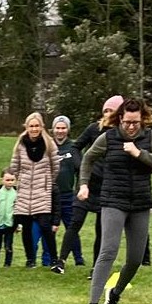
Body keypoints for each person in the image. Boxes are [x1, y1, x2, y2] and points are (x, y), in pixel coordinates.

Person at [77, 97, 152, 304]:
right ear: (120, 119)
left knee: (135, 258)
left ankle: (115, 293)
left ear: (142, 119)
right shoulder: (108, 137)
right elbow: (88, 158)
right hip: (112, 200)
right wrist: (84, 184)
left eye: (135, 122)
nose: (131, 127)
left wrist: (138, 153)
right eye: (127, 122)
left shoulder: (150, 137)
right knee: (108, 251)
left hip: (140, 203)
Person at [57, 96, 122, 274]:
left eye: (112, 111)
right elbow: (75, 147)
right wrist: (82, 167)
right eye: (105, 111)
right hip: (86, 185)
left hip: (107, 186)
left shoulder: (120, 134)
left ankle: (96, 267)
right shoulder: (94, 129)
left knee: (102, 228)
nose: (108, 114)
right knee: (75, 222)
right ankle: (61, 261)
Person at [9, 112, 61, 272]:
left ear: (42, 127)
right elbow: (14, 166)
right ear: (27, 127)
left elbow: (55, 166)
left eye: (37, 125)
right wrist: (20, 180)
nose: (34, 129)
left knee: (45, 226)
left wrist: (47, 182)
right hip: (25, 190)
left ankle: (54, 259)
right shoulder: (20, 144)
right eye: (31, 126)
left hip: (42, 190)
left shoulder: (49, 143)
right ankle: (30, 259)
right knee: (26, 226)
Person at [51, 115, 83, 266]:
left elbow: (81, 170)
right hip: (51, 196)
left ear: (68, 130)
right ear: (53, 129)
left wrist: (79, 189)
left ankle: (78, 259)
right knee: (50, 229)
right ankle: (49, 259)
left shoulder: (73, 147)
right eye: (58, 128)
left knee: (72, 228)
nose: (60, 131)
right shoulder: (49, 146)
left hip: (69, 195)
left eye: (63, 128)